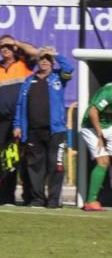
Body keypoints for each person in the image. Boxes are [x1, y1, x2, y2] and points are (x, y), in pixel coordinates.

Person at [13, 47, 73, 208]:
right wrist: (17, 125)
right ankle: (37, 199)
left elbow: (69, 68)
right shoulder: (28, 81)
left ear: (52, 62)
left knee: (56, 165)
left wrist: (56, 54)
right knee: (35, 166)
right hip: (33, 131)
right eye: (42, 58)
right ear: (37, 61)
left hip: (55, 130)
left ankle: (54, 200)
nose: (44, 61)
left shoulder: (59, 77)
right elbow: (20, 105)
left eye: (48, 59)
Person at [0, 35, 38, 205]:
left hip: (23, 119)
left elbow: (35, 52)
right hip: (4, 120)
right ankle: (6, 195)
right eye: (1, 46)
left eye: (7, 45)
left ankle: (30, 196)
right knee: (6, 158)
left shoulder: (24, 63)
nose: (5, 49)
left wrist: (16, 43)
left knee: (26, 157)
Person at [79, 81, 112, 211]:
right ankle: (91, 201)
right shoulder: (109, 92)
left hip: (108, 125)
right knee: (103, 161)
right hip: (91, 127)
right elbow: (93, 112)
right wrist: (99, 135)